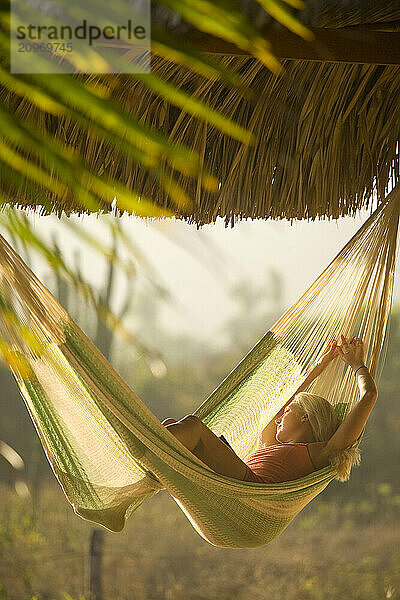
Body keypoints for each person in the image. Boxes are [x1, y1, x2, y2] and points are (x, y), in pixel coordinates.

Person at [162, 335, 377, 483]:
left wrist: (357, 365)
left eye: (288, 411)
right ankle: (148, 465)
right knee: (173, 427)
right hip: (237, 480)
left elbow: (368, 396)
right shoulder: (273, 446)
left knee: (193, 427)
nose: (279, 417)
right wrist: (319, 365)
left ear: (305, 417)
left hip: (248, 488)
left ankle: (149, 444)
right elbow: (282, 403)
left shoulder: (320, 453)